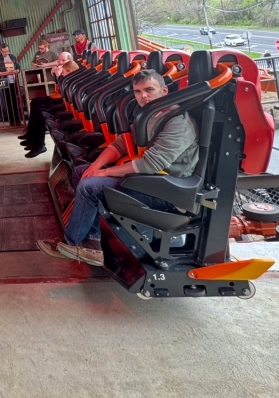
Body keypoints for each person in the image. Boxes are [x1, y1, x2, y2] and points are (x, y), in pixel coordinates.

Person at [36, 69, 199, 266]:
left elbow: (149, 164)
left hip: (168, 191)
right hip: (150, 180)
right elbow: (122, 143)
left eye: (149, 90)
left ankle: (73, 243)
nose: (143, 96)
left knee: (90, 186)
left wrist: (103, 172)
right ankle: (93, 241)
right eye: (138, 92)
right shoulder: (150, 116)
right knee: (82, 172)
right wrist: (96, 165)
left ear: (164, 91)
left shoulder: (177, 122)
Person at [21, 52, 79, 158]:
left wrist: (58, 76)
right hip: (59, 99)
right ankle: (31, 137)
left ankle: (39, 145)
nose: (60, 62)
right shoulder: (62, 70)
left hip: (66, 104)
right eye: (59, 60)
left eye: (63, 60)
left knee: (41, 110)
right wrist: (56, 76)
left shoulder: (73, 73)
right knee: (35, 102)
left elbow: (67, 92)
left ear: (70, 61)